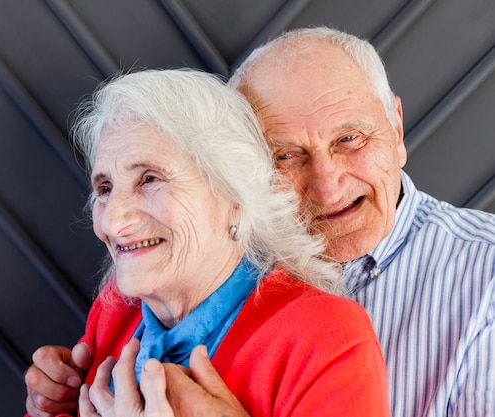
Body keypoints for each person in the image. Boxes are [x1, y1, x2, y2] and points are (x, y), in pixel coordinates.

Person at [25, 27, 495, 417]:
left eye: (350, 139)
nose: (328, 186)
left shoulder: (483, 272)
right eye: (286, 155)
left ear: (395, 126)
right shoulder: (131, 297)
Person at [25, 68, 391, 417]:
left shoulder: (324, 337)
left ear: (235, 195)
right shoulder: (116, 310)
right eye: (105, 188)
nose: (113, 220)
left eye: (150, 179)